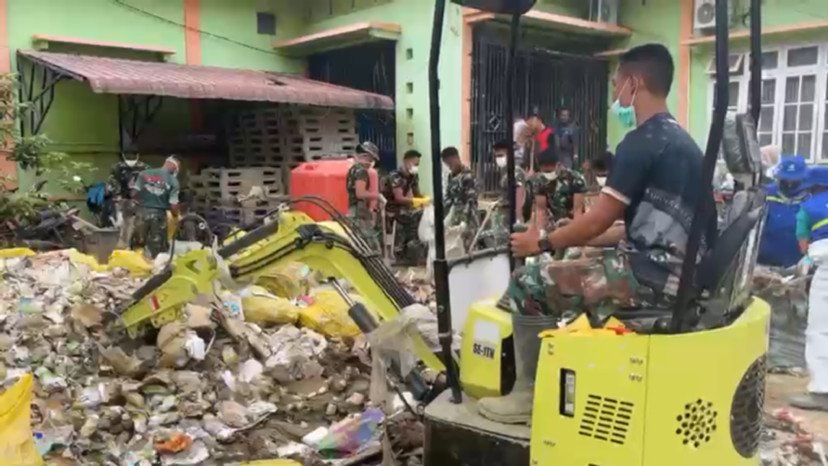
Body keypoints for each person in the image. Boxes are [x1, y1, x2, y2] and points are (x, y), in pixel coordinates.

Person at [478, 43, 716, 424]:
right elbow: (627, 228)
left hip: (652, 280)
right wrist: (574, 237)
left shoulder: (642, 143)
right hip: (677, 274)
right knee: (574, 261)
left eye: (616, 84)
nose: (615, 95)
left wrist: (540, 242)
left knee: (528, 282)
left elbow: (599, 219)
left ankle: (527, 395)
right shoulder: (682, 143)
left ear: (634, 83)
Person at [791, 166, 828, 411]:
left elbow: (804, 246)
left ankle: (822, 391)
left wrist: (806, 261)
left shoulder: (808, 208)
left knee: (820, 328)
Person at [758, 155, 810, 268]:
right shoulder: (764, 194)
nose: (789, 184)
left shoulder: (812, 198)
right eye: (785, 180)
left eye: (794, 180)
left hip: (800, 267)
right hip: (764, 266)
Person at [529, 146, 587, 233]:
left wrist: (575, 228)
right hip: (551, 223)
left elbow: (578, 209)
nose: (547, 175)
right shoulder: (539, 181)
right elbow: (541, 209)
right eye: (545, 172)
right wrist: (541, 231)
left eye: (549, 171)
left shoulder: (575, 179)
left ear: (558, 165)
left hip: (572, 221)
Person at [133, 156, 181, 259]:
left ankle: (135, 267)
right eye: (177, 169)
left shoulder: (144, 174)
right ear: (172, 165)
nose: (176, 171)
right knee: (157, 248)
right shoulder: (173, 181)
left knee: (138, 243)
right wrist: (176, 217)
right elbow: (173, 205)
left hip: (141, 213)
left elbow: (133, 193)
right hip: (158, 216)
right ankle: (153, 268)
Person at [384, 149, 425, 262]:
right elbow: (399, 198)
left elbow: (417, 194)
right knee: (413, 215)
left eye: (418, 164)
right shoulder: (395, 176)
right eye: (415, 164)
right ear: (406, 161)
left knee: (422, 214)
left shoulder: (413, 176)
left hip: (404, 207)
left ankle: (412, 248)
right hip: (392, 208)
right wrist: (415, 202)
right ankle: (400, 250)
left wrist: (425, 201)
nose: (416, 167)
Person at [485, 140, 527, 246]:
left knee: (506, 244)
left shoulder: (516, 172)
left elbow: (519, 192)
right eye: (496, 156)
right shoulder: (505, 171)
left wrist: (518, 217)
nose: (498, 159)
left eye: (501, 155)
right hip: (502, 214)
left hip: (510, 215)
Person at [346, 141, 384, 251]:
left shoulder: (353, 169)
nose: (371, 163)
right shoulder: (361, 171)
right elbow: (360, 193)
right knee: (371, 247)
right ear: (365, 156)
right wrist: (377, 196)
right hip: (359, 211)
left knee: (357, 244)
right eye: (371, 159)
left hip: (352, 210)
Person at [442, 146, 479, 253]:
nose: (449, 167)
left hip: (468, 219)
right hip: (455, 219)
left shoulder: (467, 176)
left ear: (457, 158)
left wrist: (464, 220)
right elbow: (448, 199)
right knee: (455, 250)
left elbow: (470, 200)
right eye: (447, 164)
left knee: (469, 249)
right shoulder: (451, 177)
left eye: (450, 164)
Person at [107, 153, 148, 248]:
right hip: (123, 202)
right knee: (123, 226)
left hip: (140, 202)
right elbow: (112, 185)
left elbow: (150, 185)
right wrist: (119, 199)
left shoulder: (145, 168)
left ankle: (139, 245)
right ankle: (124, 247)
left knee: (140, 225)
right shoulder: (117, 168)